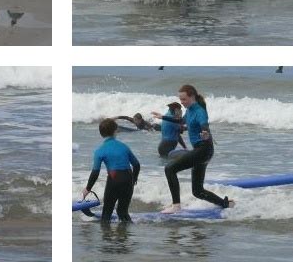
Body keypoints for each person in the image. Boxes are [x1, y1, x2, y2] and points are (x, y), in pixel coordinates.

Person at [151, 84, 234, 214]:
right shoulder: (189, 110)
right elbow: (181, 120)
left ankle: (176, 206)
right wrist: (163, 117)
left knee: (170, 169)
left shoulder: (200, 111)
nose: (182, 102)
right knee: (197, 191)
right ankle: (225, 204)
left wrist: (205, 133)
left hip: (203, 149)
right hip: (201, 150)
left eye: (184, 99)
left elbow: (204, 124)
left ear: (192, 97)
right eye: (180, 99)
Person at [82, 118, 140, 222]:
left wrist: (88, 188)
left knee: (107, 213)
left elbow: (95, 172)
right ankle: (126, 236)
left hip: (114, 180)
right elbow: (136, 165)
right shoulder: (124, 147)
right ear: (115, 131)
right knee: (122, 212)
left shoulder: (100, 150)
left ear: (101, 134)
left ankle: (106, 237)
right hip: (127, 179)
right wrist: (134, 179)